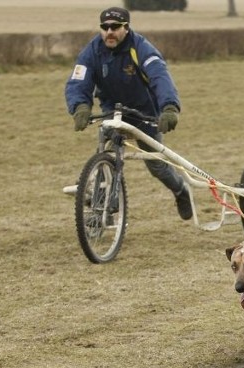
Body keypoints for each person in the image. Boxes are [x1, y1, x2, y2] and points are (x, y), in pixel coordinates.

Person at [65, 6, 192, 220]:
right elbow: (79, 80)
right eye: (105, 27)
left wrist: (169, 108)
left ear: (126, 28)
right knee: (105, 155)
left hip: (145, 114)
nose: (109, 32)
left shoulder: (141, 48)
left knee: (157, 166)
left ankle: (181, 191)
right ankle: (101, 213)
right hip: (112, 112)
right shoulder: (93, 51)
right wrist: (80, 106)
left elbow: (160, 77)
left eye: (115, 27)